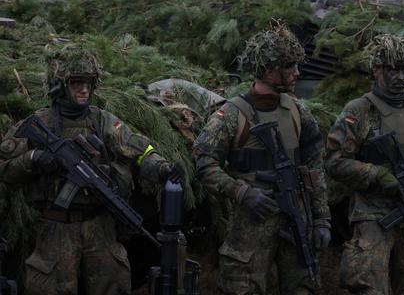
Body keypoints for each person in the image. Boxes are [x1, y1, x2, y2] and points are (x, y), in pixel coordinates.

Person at [0, 45, 184, 295]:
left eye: (89, 82)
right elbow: (4, 169)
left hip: (100, 226)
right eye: (76, 83)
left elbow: (139, 150)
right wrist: (32, 159)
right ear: (59, 85)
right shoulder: (39, 123)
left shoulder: (103, 121)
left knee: (113, 284)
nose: (84, 89)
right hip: (56, 228)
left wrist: (163, 168)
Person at [193, 24, 330, 295]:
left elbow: (315, 169)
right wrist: (242, 192)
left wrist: (322, 219)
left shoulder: (298, 112)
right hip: (251, 224)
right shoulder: (232, 114)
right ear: (269, 71)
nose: (297, 73)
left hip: (297, 219)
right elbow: (203, 162)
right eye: (290, 67)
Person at [325, 34, 404, 294]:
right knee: (368, 284)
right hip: (374, 214)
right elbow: (335, 162)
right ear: (376, 70)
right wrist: (377, 173)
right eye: (392, 70)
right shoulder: (358, 111)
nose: (400, 78)